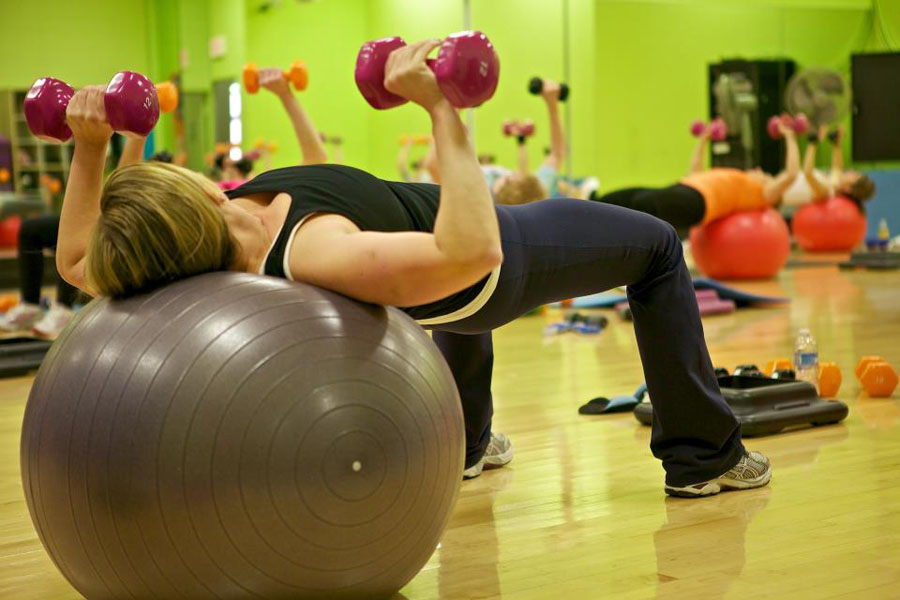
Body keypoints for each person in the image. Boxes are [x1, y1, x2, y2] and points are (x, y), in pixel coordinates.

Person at [56, 40, 770, 498]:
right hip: (497, 262)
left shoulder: (242, 205)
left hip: (446, 286)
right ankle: (702, 455)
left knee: (451, 310)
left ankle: (468, 444)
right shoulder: (310, 245)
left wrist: (93, 150)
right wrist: (443, 110)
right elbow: (469, 251)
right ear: (193, 190)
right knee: (654, 248)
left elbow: (79, 258)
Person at [0, 133, 160, 338]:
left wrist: (92, 141)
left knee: (77, 238)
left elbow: (126, 186)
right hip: (104, 209)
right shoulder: (118, 134)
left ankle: (64, 310)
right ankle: (30, 305)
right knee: (31, 230)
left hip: (114, 220)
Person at [586, 120, 801, 231]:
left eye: (766, 174)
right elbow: (695, 172)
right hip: (685, 188)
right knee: (628, 196)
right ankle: (589, 207)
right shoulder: (736, 177)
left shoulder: (762, 195)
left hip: (698, 204)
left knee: (643, 203)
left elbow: (791, 174)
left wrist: (789, 136)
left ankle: (609, 237)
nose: (760, 170)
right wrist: (704, 139)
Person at [215, 66, 330, 189]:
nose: (229, 161)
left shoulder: (254, 188)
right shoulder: (223, 192)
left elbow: (316, 159)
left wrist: (285, 94)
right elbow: (316, 159)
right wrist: (285, 95)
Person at [780, 125, 876, 219]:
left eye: (855, 176)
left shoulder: (826, 191)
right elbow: (837, 168)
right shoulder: (833, 185)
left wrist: (813, 143)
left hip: (776, 195)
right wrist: (836, 143)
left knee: (791, 141)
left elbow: (808, 174)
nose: (852, 171)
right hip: (779, 182)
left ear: (848, 189)